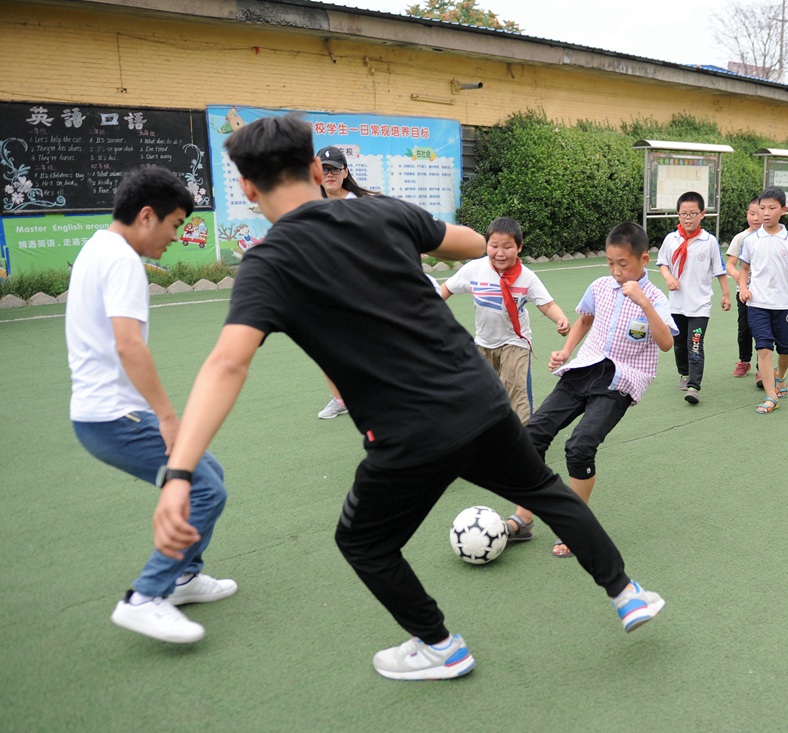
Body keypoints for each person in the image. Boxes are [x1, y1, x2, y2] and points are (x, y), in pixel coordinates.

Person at [151, 114, 665, 681]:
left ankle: (440, 645)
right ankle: (626, 592)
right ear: (315, 170)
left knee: (362, 541)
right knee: (544, 490)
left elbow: (227, 363)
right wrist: (421, 248)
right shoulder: (383, 212)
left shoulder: (268, 264)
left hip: (408, 432)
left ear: (247, 188)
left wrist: (179, 474)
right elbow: (469, 244)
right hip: (478, 397)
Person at [67, 166, 236, 644]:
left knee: (210, 474)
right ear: (146, 216)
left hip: (100, 412)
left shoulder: (97, 247)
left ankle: (182, 578)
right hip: (113, 417)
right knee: (205, 490)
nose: (177, 236)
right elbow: (129, 345)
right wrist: (167, 415)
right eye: (176, 224)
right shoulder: (121, 260)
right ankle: (146, 596)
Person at [508, 222, 676, 557]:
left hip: (620, 382)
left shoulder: (655, 297)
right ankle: (523, 518)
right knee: (533, 435)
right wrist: (566, 351)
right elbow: (585, 319)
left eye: (623, 264)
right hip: (582, 371)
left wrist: (643, 302)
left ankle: (575, 527)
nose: (616, 271)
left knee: (580, 447)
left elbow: (667, 342)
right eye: (611, 263)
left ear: (644, 259)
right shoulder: (600, 286)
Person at [440, 215, 570, 425]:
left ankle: (524, 435)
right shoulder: (474, 269)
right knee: (482, 389)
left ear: (519, 247)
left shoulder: (526, 277)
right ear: (486, 246)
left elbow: (546, 304)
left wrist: (561, 318)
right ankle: (490, 428)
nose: (500, 253)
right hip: (484, 342)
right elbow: (447, 288)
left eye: (508, 247)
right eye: (494, 246)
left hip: (515, 341)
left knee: (514, 387)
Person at [736, 186, 788, 413]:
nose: (765, 213)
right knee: (763, 349)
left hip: (783, 305)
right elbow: (744, 268)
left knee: (786, 349)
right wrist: (743, 288)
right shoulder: (751, 240)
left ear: (783, 210)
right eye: (762, 208)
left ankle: (780, 376)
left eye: (771, 208)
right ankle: (771, 396)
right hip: (757, 305)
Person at [316, 144, 379, 419]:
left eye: (334, 169)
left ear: (345, 172)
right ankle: (341, 399)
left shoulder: (363, 204)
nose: (329, 174)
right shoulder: (311, 207)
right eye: (324, 170)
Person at [657, 191, 731, 404]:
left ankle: (694, 386)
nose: (688, 218)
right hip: (676, 305)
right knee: (678, 343)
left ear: (702, 215)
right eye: (683, 214)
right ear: (678, 215)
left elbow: (719, 270)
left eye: (692, 213)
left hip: (699, 306)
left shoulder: (709, 241)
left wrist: (726, 295)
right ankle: (684, 373)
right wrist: (668, 276)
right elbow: (662, 263)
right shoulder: (671, 239)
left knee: (695, 343)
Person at [725, 197, 761, 378]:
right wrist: (737, 275)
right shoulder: (740, 238)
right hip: (744, 293)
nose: (756, 218)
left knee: (762, 330)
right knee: (744, 328)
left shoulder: (770, 237)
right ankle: (744, 361)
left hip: (765, 294)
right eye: (752, 213)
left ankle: (762, 368)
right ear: (747, 214)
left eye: (759, 213)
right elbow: (730, 263)